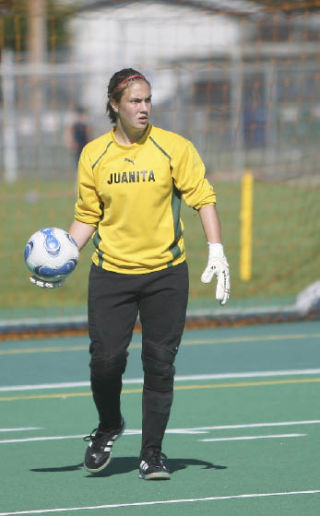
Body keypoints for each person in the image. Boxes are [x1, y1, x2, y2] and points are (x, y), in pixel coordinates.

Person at [31, 68, 230, 480]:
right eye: (135, 101)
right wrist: (62, 260)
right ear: (114, 105)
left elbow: (203, 198)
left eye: (147, 100)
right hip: (112, 275)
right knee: (106, 361)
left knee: (160, 363)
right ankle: (108, 426)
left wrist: (216, 249)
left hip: (166, 274)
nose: (143, 108)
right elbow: (87, 216)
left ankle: (152, 454)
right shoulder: (94, 154)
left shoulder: (174, 148)